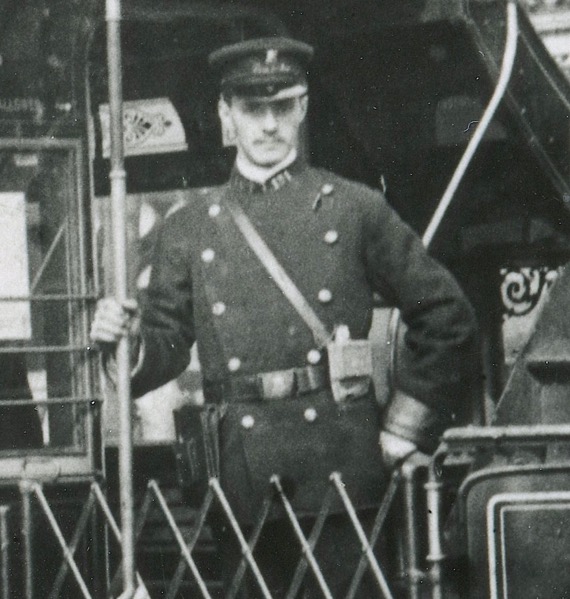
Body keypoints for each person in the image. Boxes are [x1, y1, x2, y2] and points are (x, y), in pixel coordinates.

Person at [91, 36, 477, 597]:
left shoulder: (354, 207)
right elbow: (166, 346)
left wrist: (403, 427)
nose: (268, 125)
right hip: (241, 481)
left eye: (282, 107)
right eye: (253, 109)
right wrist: (125, 340)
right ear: (227, 114)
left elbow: (448, 315)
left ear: (302, 107)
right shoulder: (191, 227)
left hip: (343, 474)